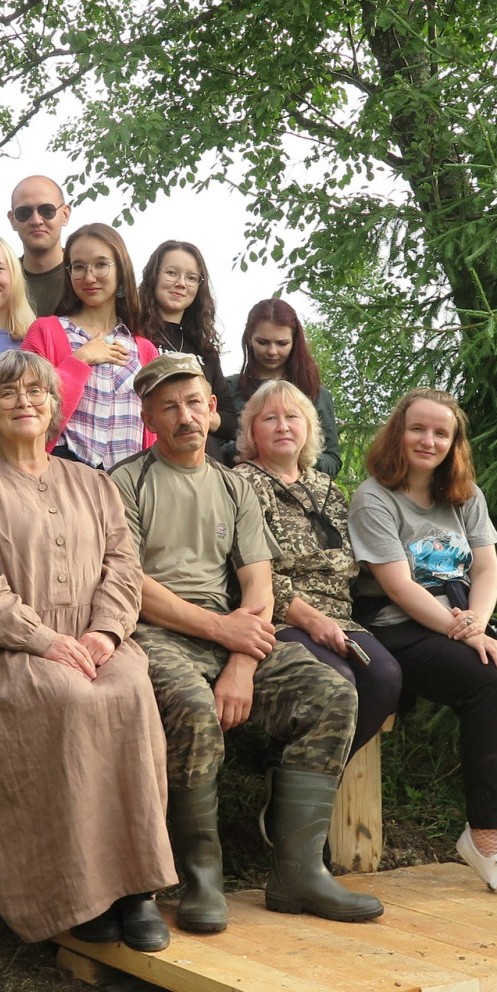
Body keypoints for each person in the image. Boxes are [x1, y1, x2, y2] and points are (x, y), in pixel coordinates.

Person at [112, 354, 382, 933]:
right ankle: (201, 878)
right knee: (192, 708)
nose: (185, 416)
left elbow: (258, 582)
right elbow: (133, 587)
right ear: (148, 418)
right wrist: (221, 631)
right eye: (168, 407)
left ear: (213, 409)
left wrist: (240, 659)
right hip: (156, 635)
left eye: (194, 403)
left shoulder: (234, 486)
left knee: (331, 694)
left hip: (233, 632)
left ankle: (298, 873)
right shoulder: (125, 482)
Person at [0, 350, 175, 949]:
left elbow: (123, 566)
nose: (24, 402)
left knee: (129, 691)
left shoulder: (94, 482)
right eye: (8, 393)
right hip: (0, 646)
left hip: (95, 640)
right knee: (67, 699)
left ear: (56, 406)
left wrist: (105, 632)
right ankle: (78, 891)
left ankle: (138, 888)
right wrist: (43, 639)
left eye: (36, 391)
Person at [348, 389, 497, 899]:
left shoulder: (465, 496)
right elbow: (399, 587)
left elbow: (487, 569)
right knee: (487, 682)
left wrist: (477, 626)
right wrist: (467, 633)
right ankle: (486, 838)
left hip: (466, 621)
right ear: (398, 433)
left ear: (454, 443)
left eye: (440, 433)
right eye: (417, 429)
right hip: (398, 627)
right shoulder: (374, 498)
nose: (428, 440)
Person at [231, 379, 400, 758]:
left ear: (308, 427)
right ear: (251, 431)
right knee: (339, 679)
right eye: (269, 418)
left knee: (384, 678)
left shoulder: (328, 488)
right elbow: (249, 572)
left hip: (340, 616)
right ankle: (292, 777)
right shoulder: (241, 484)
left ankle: (294, 773)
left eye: (292, 417)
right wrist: (313, 620)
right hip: (279, 618)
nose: (282, 426)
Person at [21, 223, 159, 469]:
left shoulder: (144, 349)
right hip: (61, 472)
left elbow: (155, 426)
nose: (89, 277)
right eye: (79, 267)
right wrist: (79, 361)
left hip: (129, 479)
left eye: (101, 264)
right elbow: (26, 408)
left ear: (121, 269)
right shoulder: (46, 331)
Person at [136, 240, 233, 459]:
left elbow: (229, 422)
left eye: (191, 278)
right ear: (153, 276)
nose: (181, 283)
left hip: (206, 464)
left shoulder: (205, 349)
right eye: (172, 273)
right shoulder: (132, 336)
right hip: (151, 462)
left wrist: (194, 413)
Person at [226, 298, 342, 478]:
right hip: (240, 485)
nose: (272, 351)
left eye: (282, 343)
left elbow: (332, 461)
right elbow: (211, 451)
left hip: (303, 489)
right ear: (249, 338)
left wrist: (294, 454)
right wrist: (258, 449)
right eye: (263, 342)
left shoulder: (315, 392)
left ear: (294, 341)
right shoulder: (229, 388)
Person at [7, 174, 71, 317]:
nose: (36, 221)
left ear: (65, 215)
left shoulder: (85, 277)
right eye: (24, 213)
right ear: (12, 220)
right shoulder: (0, 282)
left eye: (47, 211)